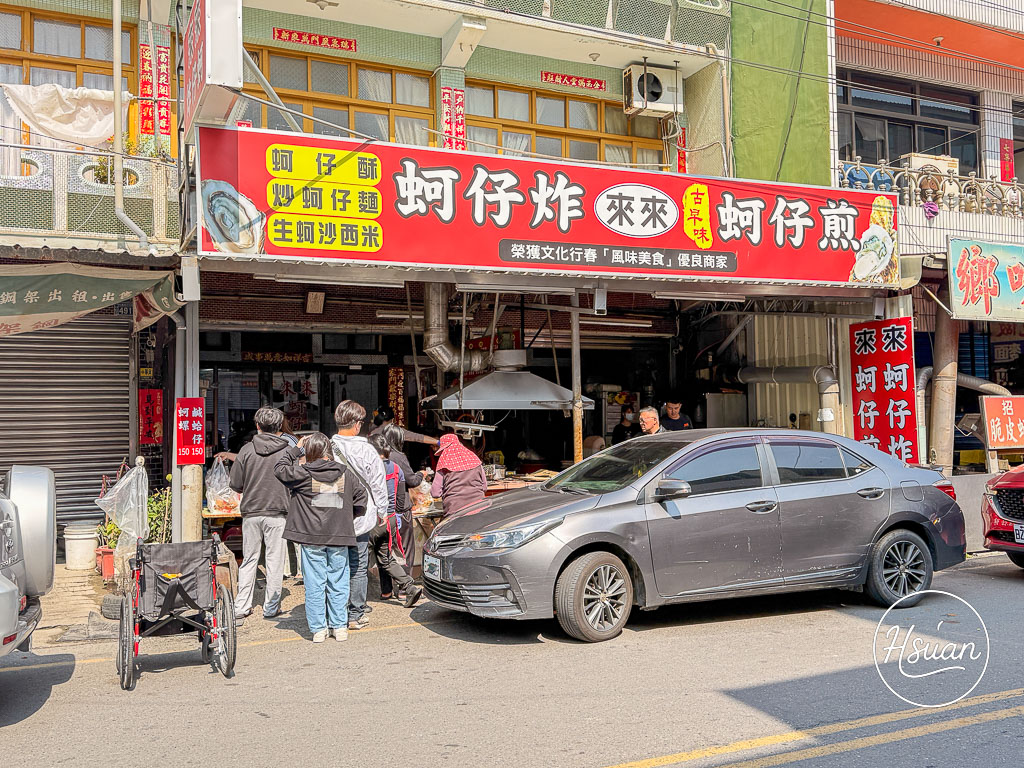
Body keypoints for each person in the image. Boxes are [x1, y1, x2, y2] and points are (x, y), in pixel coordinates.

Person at [274, 433, 366, 643]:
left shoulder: (303, 473)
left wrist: (296, 449)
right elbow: (362, 497)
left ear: (310, 452)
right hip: (339, 536)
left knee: (315, 584)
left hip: (311, 537)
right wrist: (347, 516)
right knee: (339, 582)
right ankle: (339, 627)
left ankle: (318, 630)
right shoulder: (345, 473)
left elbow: (279, 469)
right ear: (329, 452)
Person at [228, 406, 291, 624]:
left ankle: (242, 606)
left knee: (249, 559)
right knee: (275, 560)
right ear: (279, 426)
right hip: (278, 512)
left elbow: (235, 483)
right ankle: (271, 607)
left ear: (257, 426)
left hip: (251, 512)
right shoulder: (287, 451)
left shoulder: (246, 450)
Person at [330, 400, 388, 631]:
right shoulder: (366, 450)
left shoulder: (326, 448)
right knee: (358, 566)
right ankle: (355, 614)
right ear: (356, 424)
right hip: (360, 517)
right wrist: (382, 511)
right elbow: (378, 484)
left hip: (333, 517)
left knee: (334, 566)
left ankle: (336, 613)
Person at [367, 434, 423, 608]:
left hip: (373, 520)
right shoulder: (396, 468)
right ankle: (409, 587)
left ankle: (357, 603)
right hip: (390, 519)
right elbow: (400, 501)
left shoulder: (370, 468)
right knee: (385, 558)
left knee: (360, 559)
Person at [380, 422, 427, 592]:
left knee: (384, 549)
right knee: (405, 548)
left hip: (383, 510)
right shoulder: (398, 457)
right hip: (400, 508)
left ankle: (386, 590)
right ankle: (404, 589)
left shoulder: (379, 456)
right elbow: (412, 480)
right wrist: (421, 473)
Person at [431, 433, 487, 517]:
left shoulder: (443, 465)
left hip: (454, 511)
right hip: (479, 508)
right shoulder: (475, 460)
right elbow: (484, 487)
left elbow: (435, 493)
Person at [370, 405, 440, 447]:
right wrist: (438, 442)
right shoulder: (393, 431)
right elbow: (417, 437)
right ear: (393, 419)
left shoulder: (372, 429)